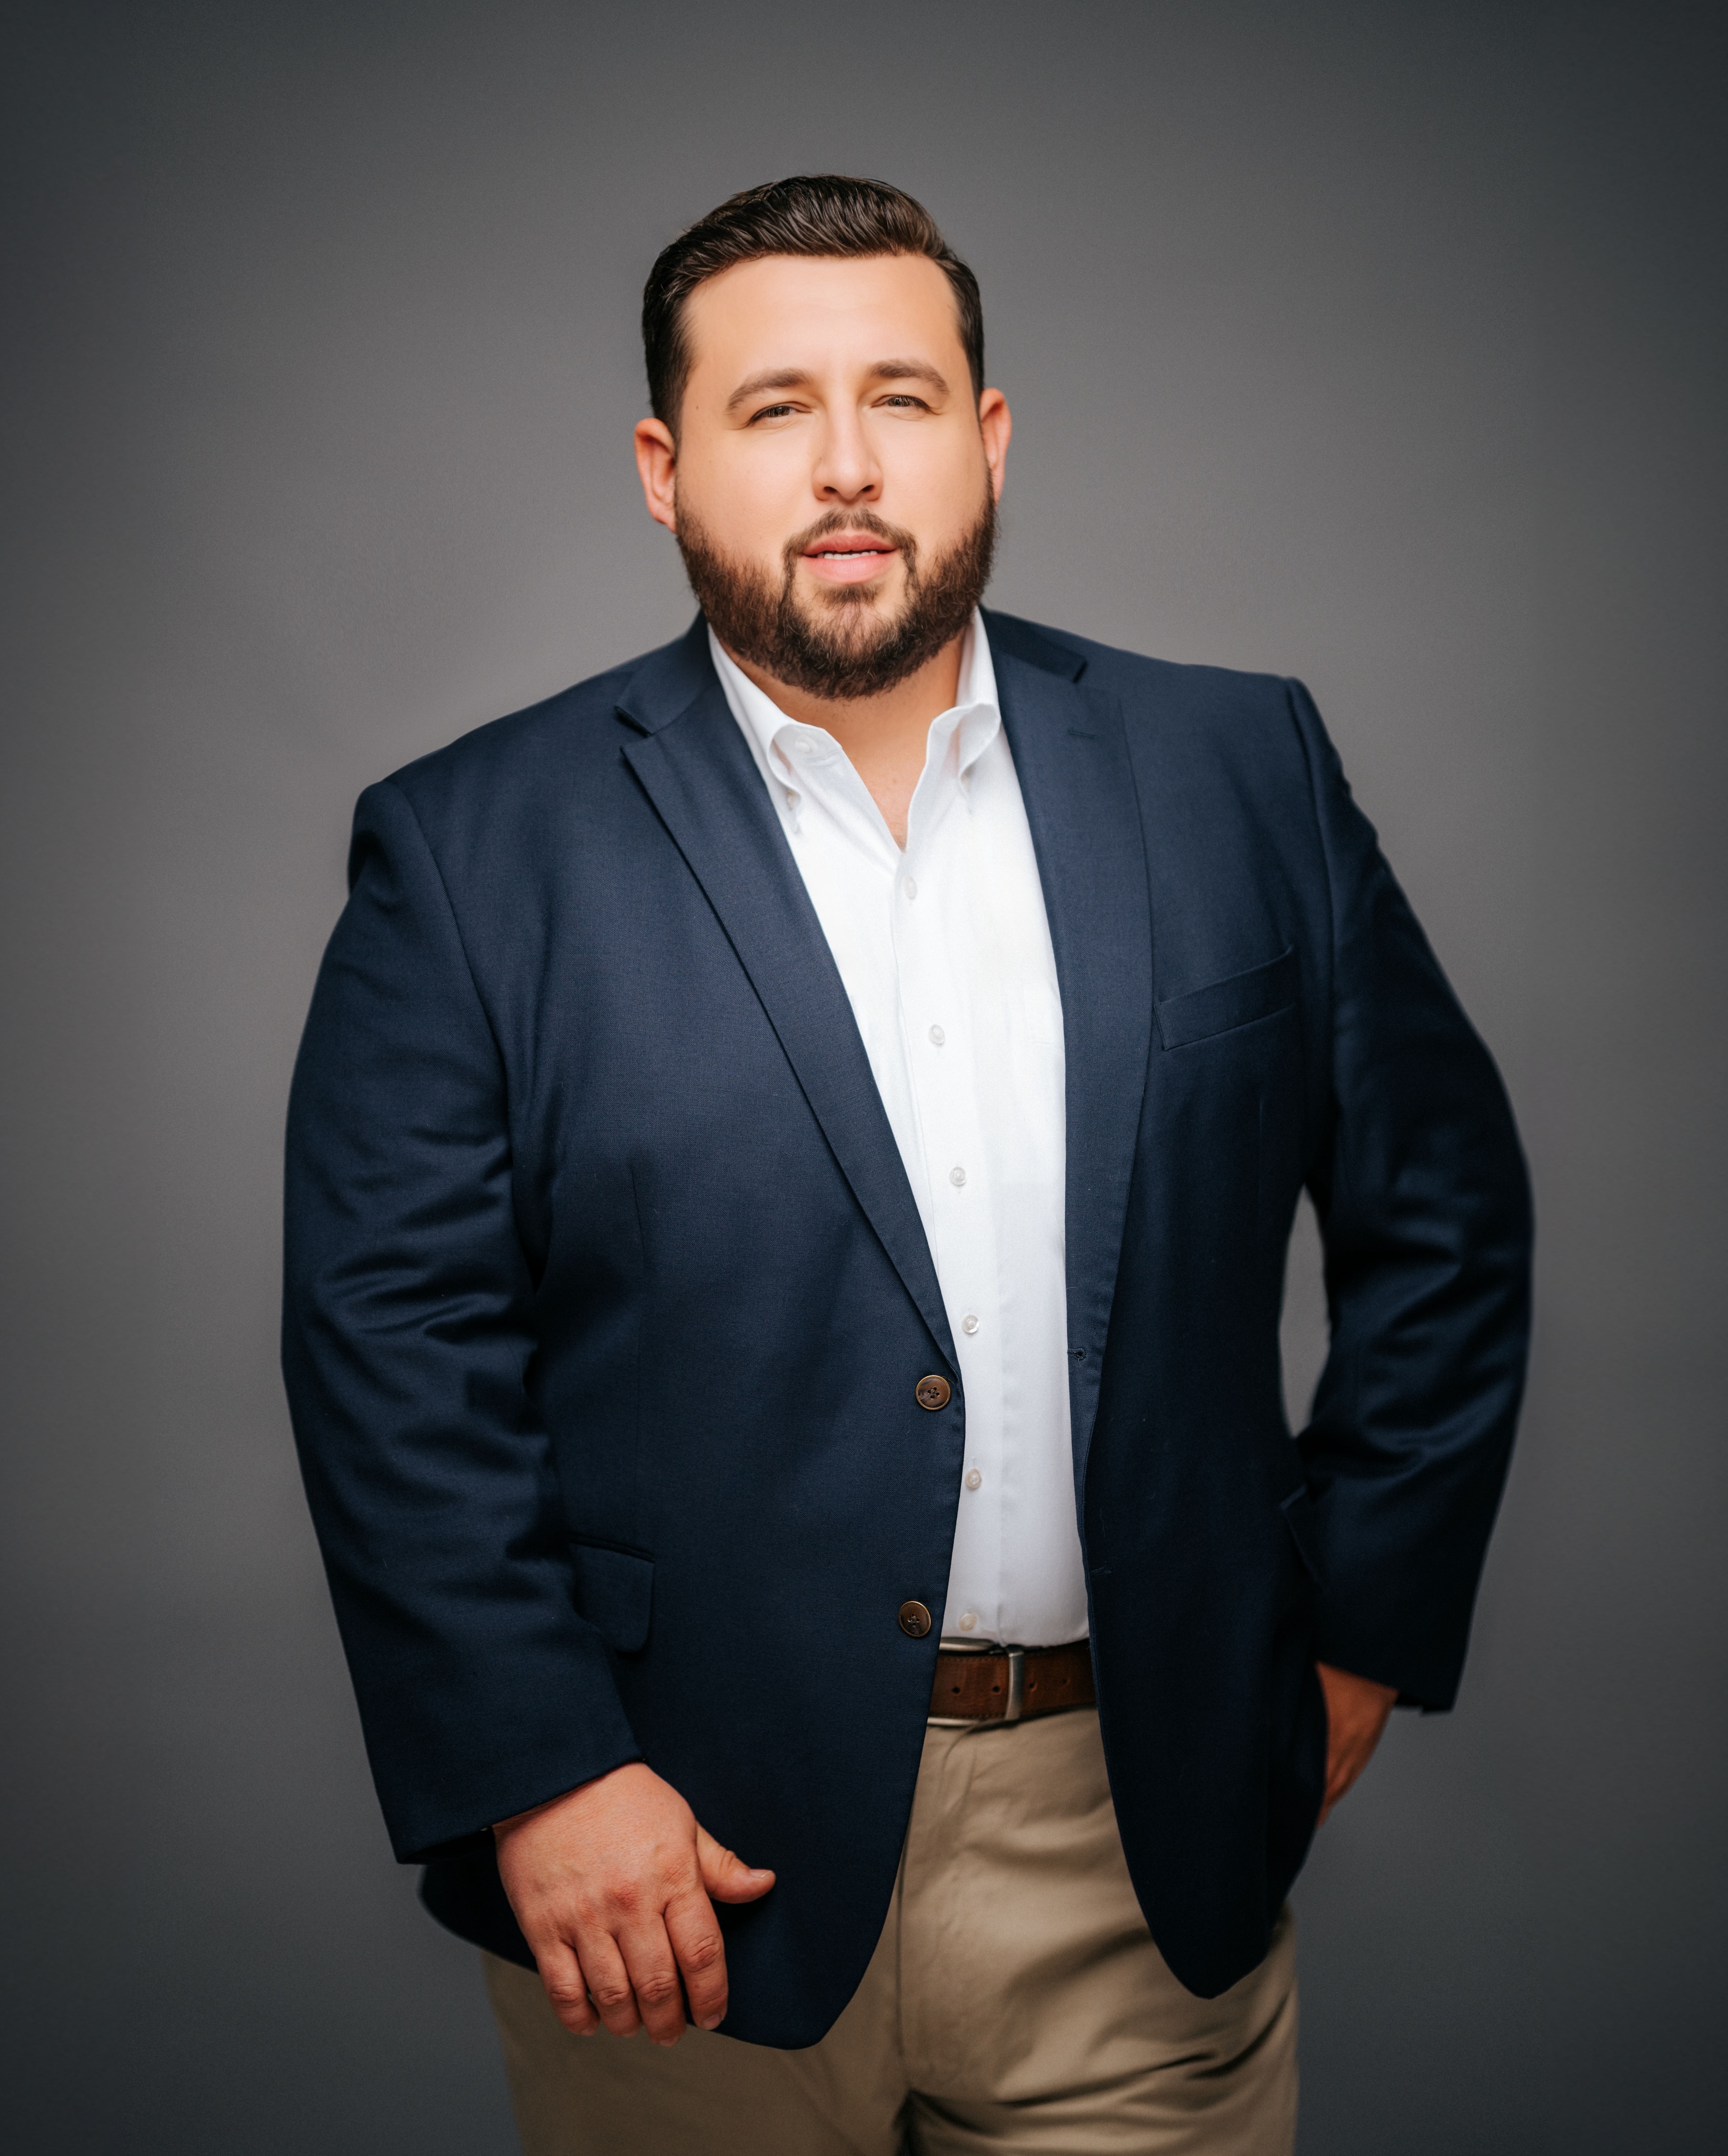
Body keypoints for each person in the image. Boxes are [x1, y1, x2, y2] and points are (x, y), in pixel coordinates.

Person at [282, 174, 1532, 2154]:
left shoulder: (1240, 769)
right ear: (663, 469)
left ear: (989, 437)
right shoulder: (469, 850)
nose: (848, 465)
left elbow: (1444, 1220)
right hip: (676, 1864)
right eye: (775, 408)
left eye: (902, 399)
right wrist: (539, 1773)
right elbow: (392, 1346)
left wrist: (1361, 1628)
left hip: (1142, 1840)